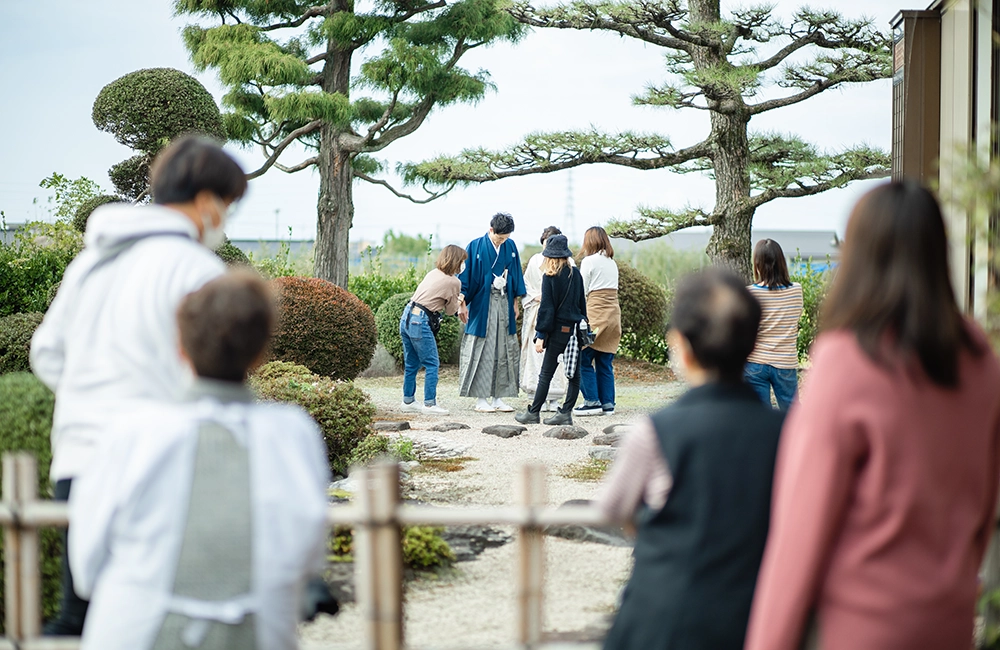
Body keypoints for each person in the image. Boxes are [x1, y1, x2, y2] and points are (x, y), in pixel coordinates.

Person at [744, 182, 1000, 650]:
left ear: (860, 255)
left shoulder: (849, 359)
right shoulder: (980, 357)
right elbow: (983, 508)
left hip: (861, 626)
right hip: (949, 621)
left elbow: (801, 533)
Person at [30, 136, 244, 635]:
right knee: (157, 619)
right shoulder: (197, 269)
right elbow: (211, 374)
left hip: (80, 456)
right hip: (157, 468)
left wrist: (92, 396)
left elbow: (46, 352)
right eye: (229, 205)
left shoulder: (90, 262)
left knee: (80, 616)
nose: (226, 218)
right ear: (208, 200)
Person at [69, 271, 331, 650]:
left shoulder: (132, 429)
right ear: (260, 353)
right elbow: (307, 554)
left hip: (134, 628)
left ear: (180, 346)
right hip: (259, 631)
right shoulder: (293, 432)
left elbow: (87, 563)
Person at [596, 269, 784, 650]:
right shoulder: (790, 433)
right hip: (754, 619)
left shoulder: (654, 431)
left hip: (664, 619)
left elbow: (611, 510)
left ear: (679, 344)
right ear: (751, 343)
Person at [457, 212, 527, 413]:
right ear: (491, 230)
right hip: (482, 303)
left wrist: (515, 303)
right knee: (483, 347)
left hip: (504, 300)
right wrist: (462, 303)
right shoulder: (475, 246)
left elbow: (515, 274)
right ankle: (481, 398)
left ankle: (499, 397)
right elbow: (466, 276)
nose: (503, 241)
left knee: (504, 347)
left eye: (506, 238)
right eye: (500, 237)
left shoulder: (511, 247)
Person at [514, 234, 587, 426]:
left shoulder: (550, 276)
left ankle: (534, 412)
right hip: (575, 330)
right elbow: (582, 303)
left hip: (557, 331)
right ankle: (565, 413)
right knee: (574, 374)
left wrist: (541, 335)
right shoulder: (576, 274)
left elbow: (547, 308)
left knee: (546, 373)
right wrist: (584, 326)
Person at [400, 245, 468, 415]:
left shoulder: (433, 273)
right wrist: (460, 299)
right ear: (456, 262)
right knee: (432, 363)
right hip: (420, 320)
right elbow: (451, 311)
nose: (463, 265)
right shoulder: (454, 281)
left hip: (407, 316)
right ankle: (429, 404)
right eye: (462, 261)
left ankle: (408, 401)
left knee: (411, 363)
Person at [743, 239, 803, 410]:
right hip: (785, 362)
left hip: (755, 362)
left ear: (757, 264)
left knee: (758, 417)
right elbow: (794, 321)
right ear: (781, 262)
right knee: (792, 418)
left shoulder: (750, 293)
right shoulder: (796, 290)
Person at [521, 226, 573, 412]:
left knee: (552, 359)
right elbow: (526, 285)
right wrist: (536, 296)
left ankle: (551, 400)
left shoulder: (563, 265)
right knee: (542, 357)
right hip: (541, 312)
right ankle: (541, 399)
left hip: (547, 313)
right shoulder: (541, 260)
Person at [574, 226, 622, 417]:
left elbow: (582, 290)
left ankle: (592, 401)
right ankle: (607, 403)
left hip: (595, 311)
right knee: (604, 359)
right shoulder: (612, 262)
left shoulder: (589, 261)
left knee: (582, 357)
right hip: (613, 314)